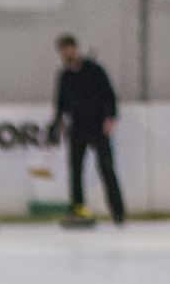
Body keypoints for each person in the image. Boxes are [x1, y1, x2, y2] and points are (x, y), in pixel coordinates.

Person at [51, 34, 123, 226]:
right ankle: (78, 210)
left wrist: (110, 117)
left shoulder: (94, 70)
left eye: (68, 49)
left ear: (75, 48)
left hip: (98, 127)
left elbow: (109, 94)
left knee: (106, 168)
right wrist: (56, 126)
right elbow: (60, 104)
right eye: (62, 51)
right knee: (75, 171)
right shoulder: (64, 76)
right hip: (77, 129)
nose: (66, 53)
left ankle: (118, 212)